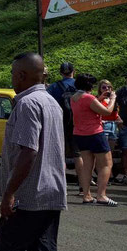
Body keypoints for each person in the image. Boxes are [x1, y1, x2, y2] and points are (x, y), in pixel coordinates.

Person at [0, 53, 67, 251]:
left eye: (13, 74)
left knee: (7, 250)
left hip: (30, 194)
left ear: (22, 75)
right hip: (52, 191)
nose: (12, 79)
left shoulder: (27, 104)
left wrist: (9, 193)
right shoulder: (51, 102)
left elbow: (29, 151)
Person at [71, 74, 117, 206]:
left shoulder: (74, 98)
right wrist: (112, 99)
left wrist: (99, 98)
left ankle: (87, 196)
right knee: (106, 164)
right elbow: (107, 112)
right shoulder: (88, 98)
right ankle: (101, 195)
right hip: (94, 133)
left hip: (79, 134)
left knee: (87, 165)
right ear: (90, 86)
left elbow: (88, 107)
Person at [48, 62, 82, 193]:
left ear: (61, 73)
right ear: (74, 71)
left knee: (60, 154)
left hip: (60, 123)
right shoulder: (80, 85)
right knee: (78, 154)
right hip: (78, 124)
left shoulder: (54, 86)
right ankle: (82, 183)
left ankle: (62, 185)